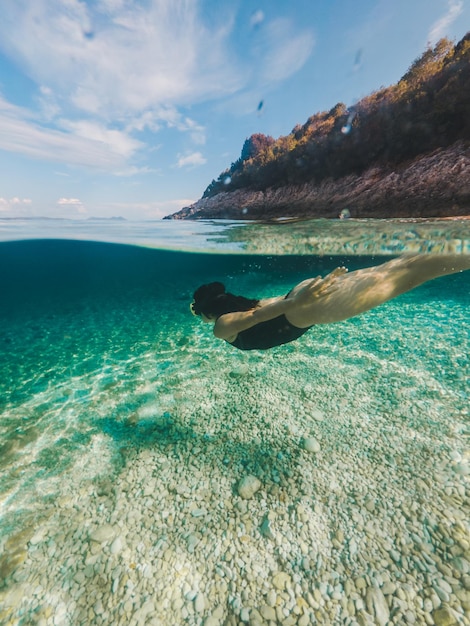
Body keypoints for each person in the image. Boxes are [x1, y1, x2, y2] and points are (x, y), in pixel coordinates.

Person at [190, 254, 470, 351]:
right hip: (300, 298)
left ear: (207, 311)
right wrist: (300, 296)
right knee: (402, 267)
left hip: (305, 306)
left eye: (196, 311)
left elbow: (259, 319)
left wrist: (300, 301)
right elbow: (265, 309)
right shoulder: (249, 303)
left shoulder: (221, 326)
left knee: (412, 273)